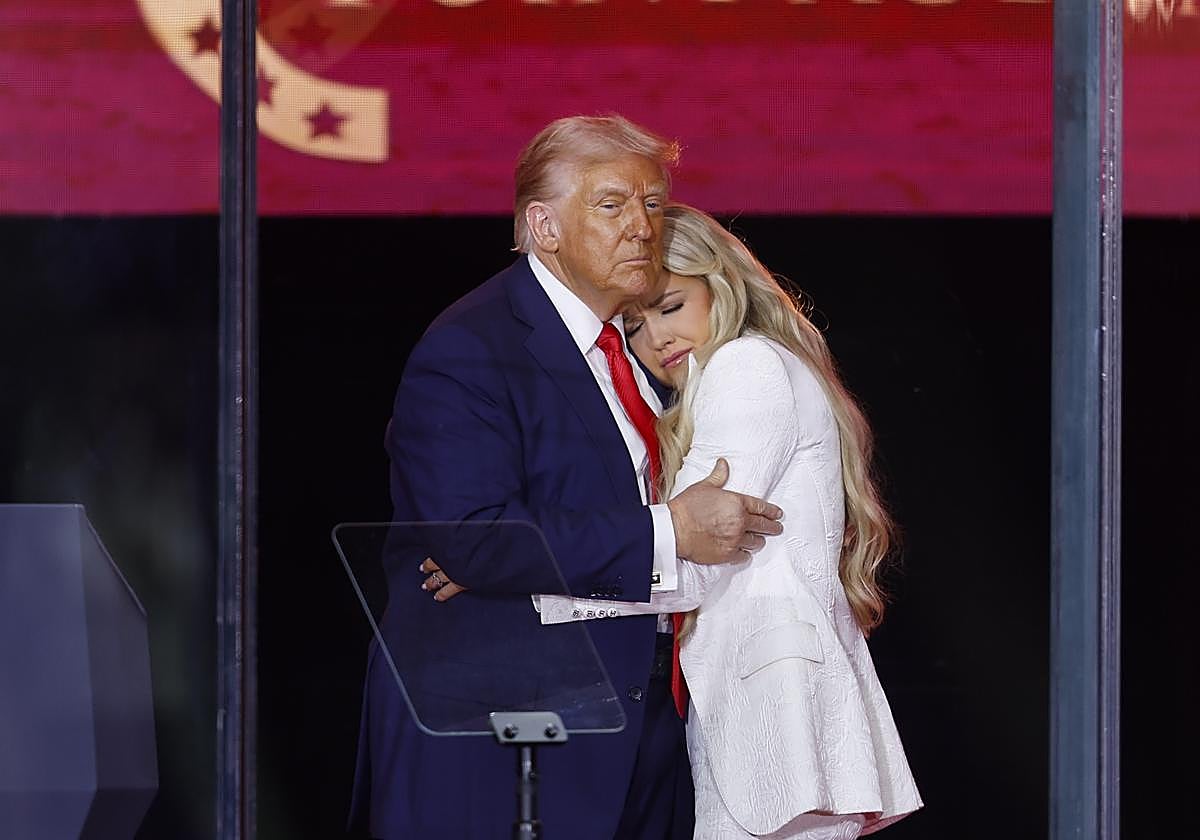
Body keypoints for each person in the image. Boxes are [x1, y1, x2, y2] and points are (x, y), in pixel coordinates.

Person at [349, 117, 784, 840]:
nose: (642, 226)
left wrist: (518, 558)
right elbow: (474, 539)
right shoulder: (471, 347)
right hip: (505, 744)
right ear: (543, 226)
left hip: (641, 728)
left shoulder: (643, 351)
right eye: (612, 204)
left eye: (652, 203)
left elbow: (499, 544)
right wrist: (667, 532)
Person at [534, 205, 923, 838]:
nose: (657, 339)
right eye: (634, 325)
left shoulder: (743, 367)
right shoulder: (765, 366)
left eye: (671, 306)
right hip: (774, 706)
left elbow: (691, 560)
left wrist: (528, 583)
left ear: (723, 283)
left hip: (774, 712)